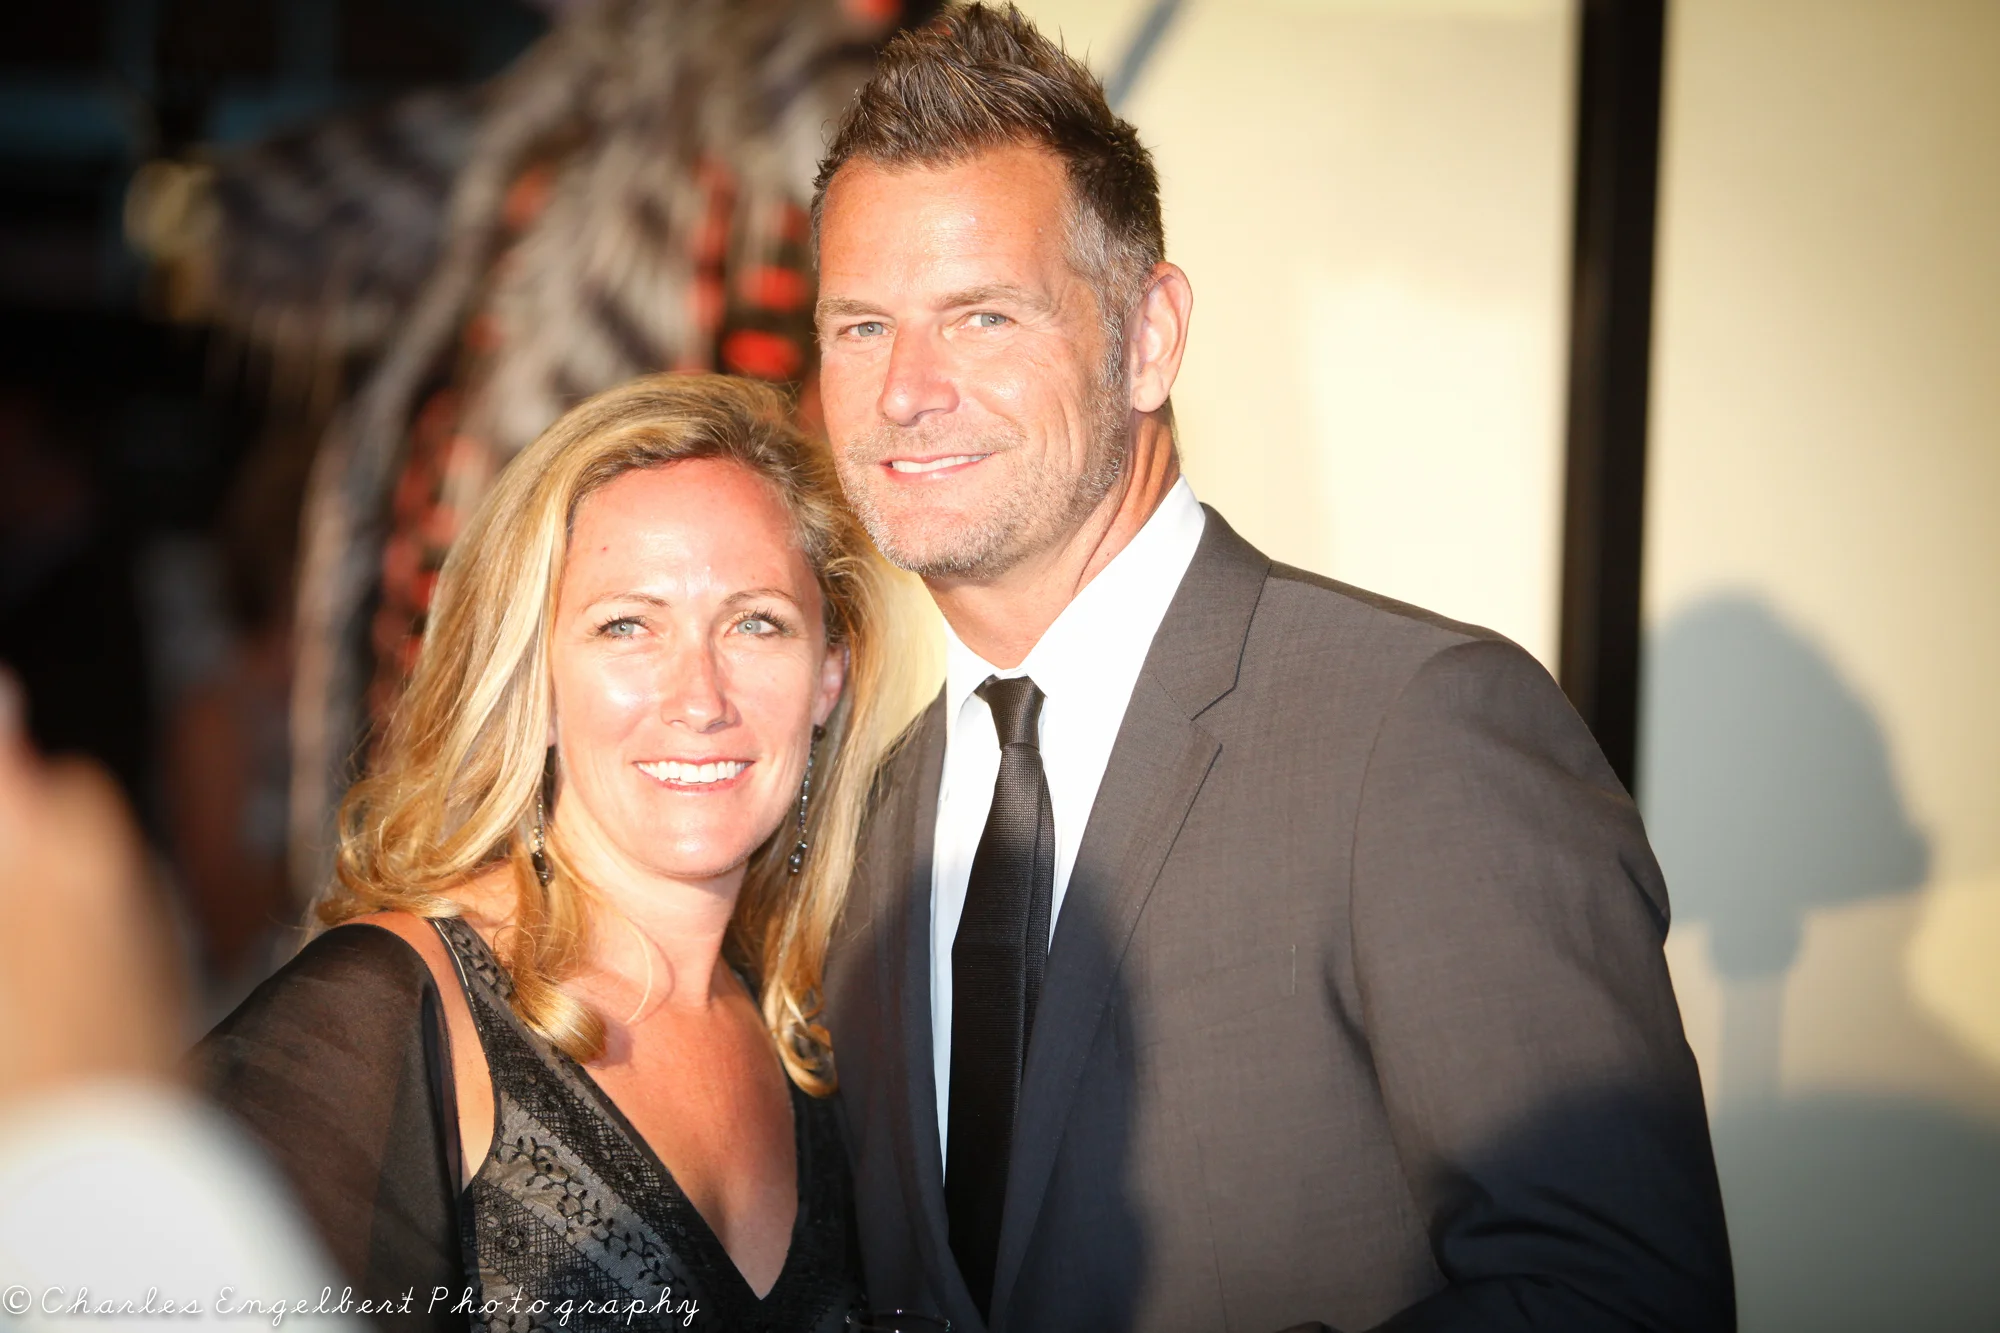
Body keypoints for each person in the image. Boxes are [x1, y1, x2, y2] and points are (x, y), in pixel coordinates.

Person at [810, 7, 1735, 1332]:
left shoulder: (1414, 731)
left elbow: (1618, 1298)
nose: (905, 389)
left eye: (982, 315)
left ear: (1149, 335)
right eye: (859, 327)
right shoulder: (874, 811)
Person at [198, 375, 910, 1330]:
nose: (701, 698)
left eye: (755, 622)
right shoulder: (387, 1013)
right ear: (532, 683)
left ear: (829, 675)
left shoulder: (819, 1047)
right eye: (628, 625)